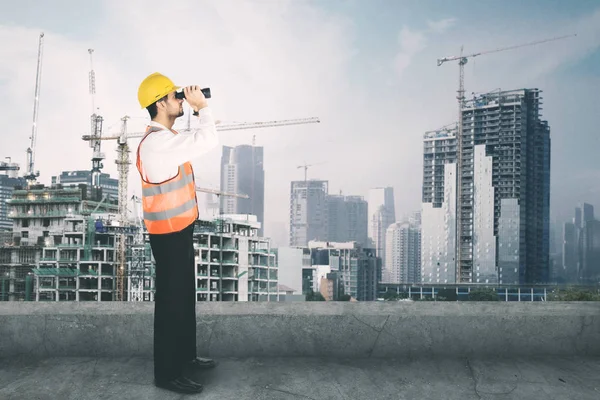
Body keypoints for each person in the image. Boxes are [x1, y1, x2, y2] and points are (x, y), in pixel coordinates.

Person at [136, 72, 218, 394]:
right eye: (174, 96)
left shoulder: (165, 140)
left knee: (184, 298)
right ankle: (167, 374)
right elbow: (207, 139)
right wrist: (201, 108)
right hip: (168, 235)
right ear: (160, 104)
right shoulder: (158, 144)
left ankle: (186, 357)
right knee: (170, 303)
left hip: (180, 230)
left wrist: (192, 107)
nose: (179, 99)